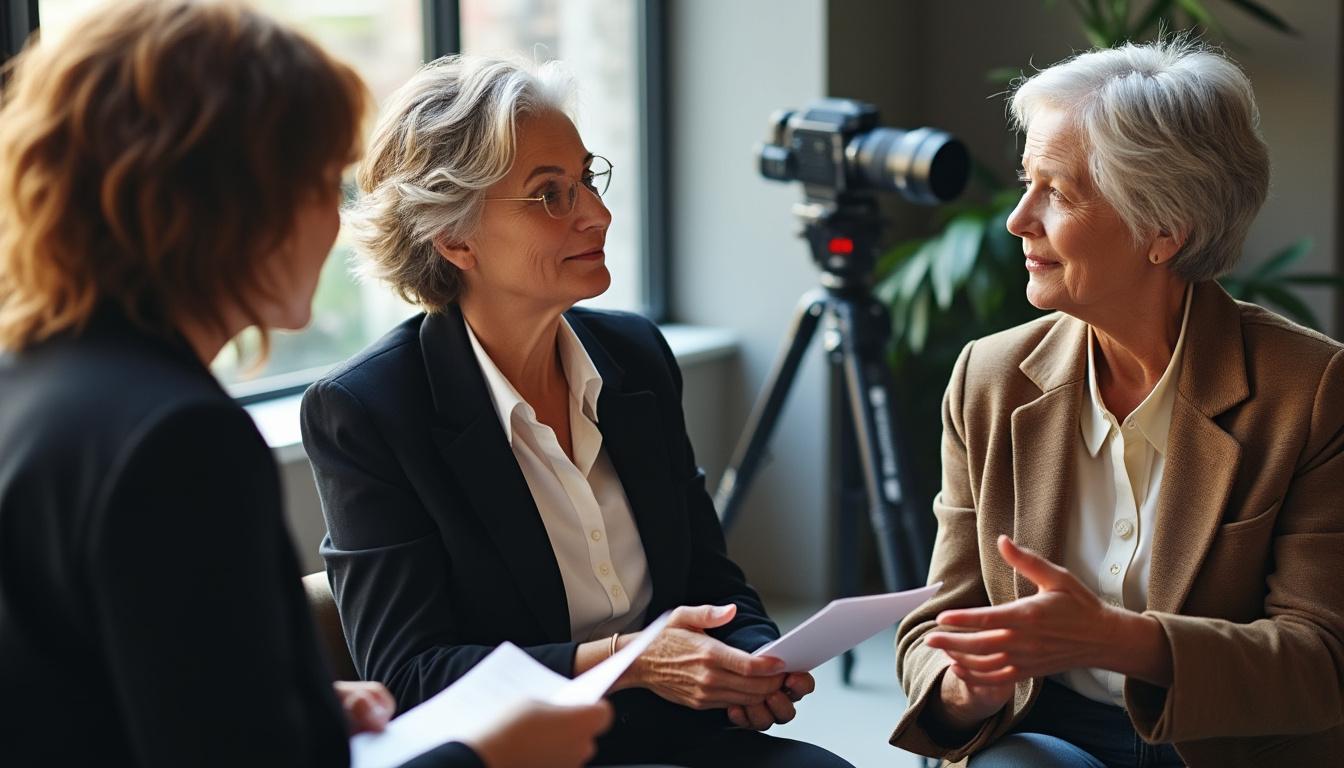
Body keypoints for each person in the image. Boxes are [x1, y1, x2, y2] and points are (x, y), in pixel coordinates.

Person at [0, 2, 609, 766]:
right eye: (322, 183)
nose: (337, 219)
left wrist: (300, 714)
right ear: (224, 202)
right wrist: (488, 756)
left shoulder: (35, 383)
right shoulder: (178, 439)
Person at [299, 54, 851, 768]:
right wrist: (632, 658)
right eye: (550, 195)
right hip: (528, 755)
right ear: (454, 237)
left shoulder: (635, 356)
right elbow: (410, 676)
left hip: (678, 732)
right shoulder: (368, 410)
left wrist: (751, 661)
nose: (599, 213)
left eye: (587, 179)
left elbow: (713, 584)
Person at [888, 37, 1344, 767]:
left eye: (1057, 192)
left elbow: (1322, 660)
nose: (1017, 219)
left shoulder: (1311, 391)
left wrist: (1119, 639)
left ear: (1164, 230)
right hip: (1047, 726)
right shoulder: (991, 378)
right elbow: (941, 619)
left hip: (1224, 743)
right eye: (1024, 182)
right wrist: (958, 688)